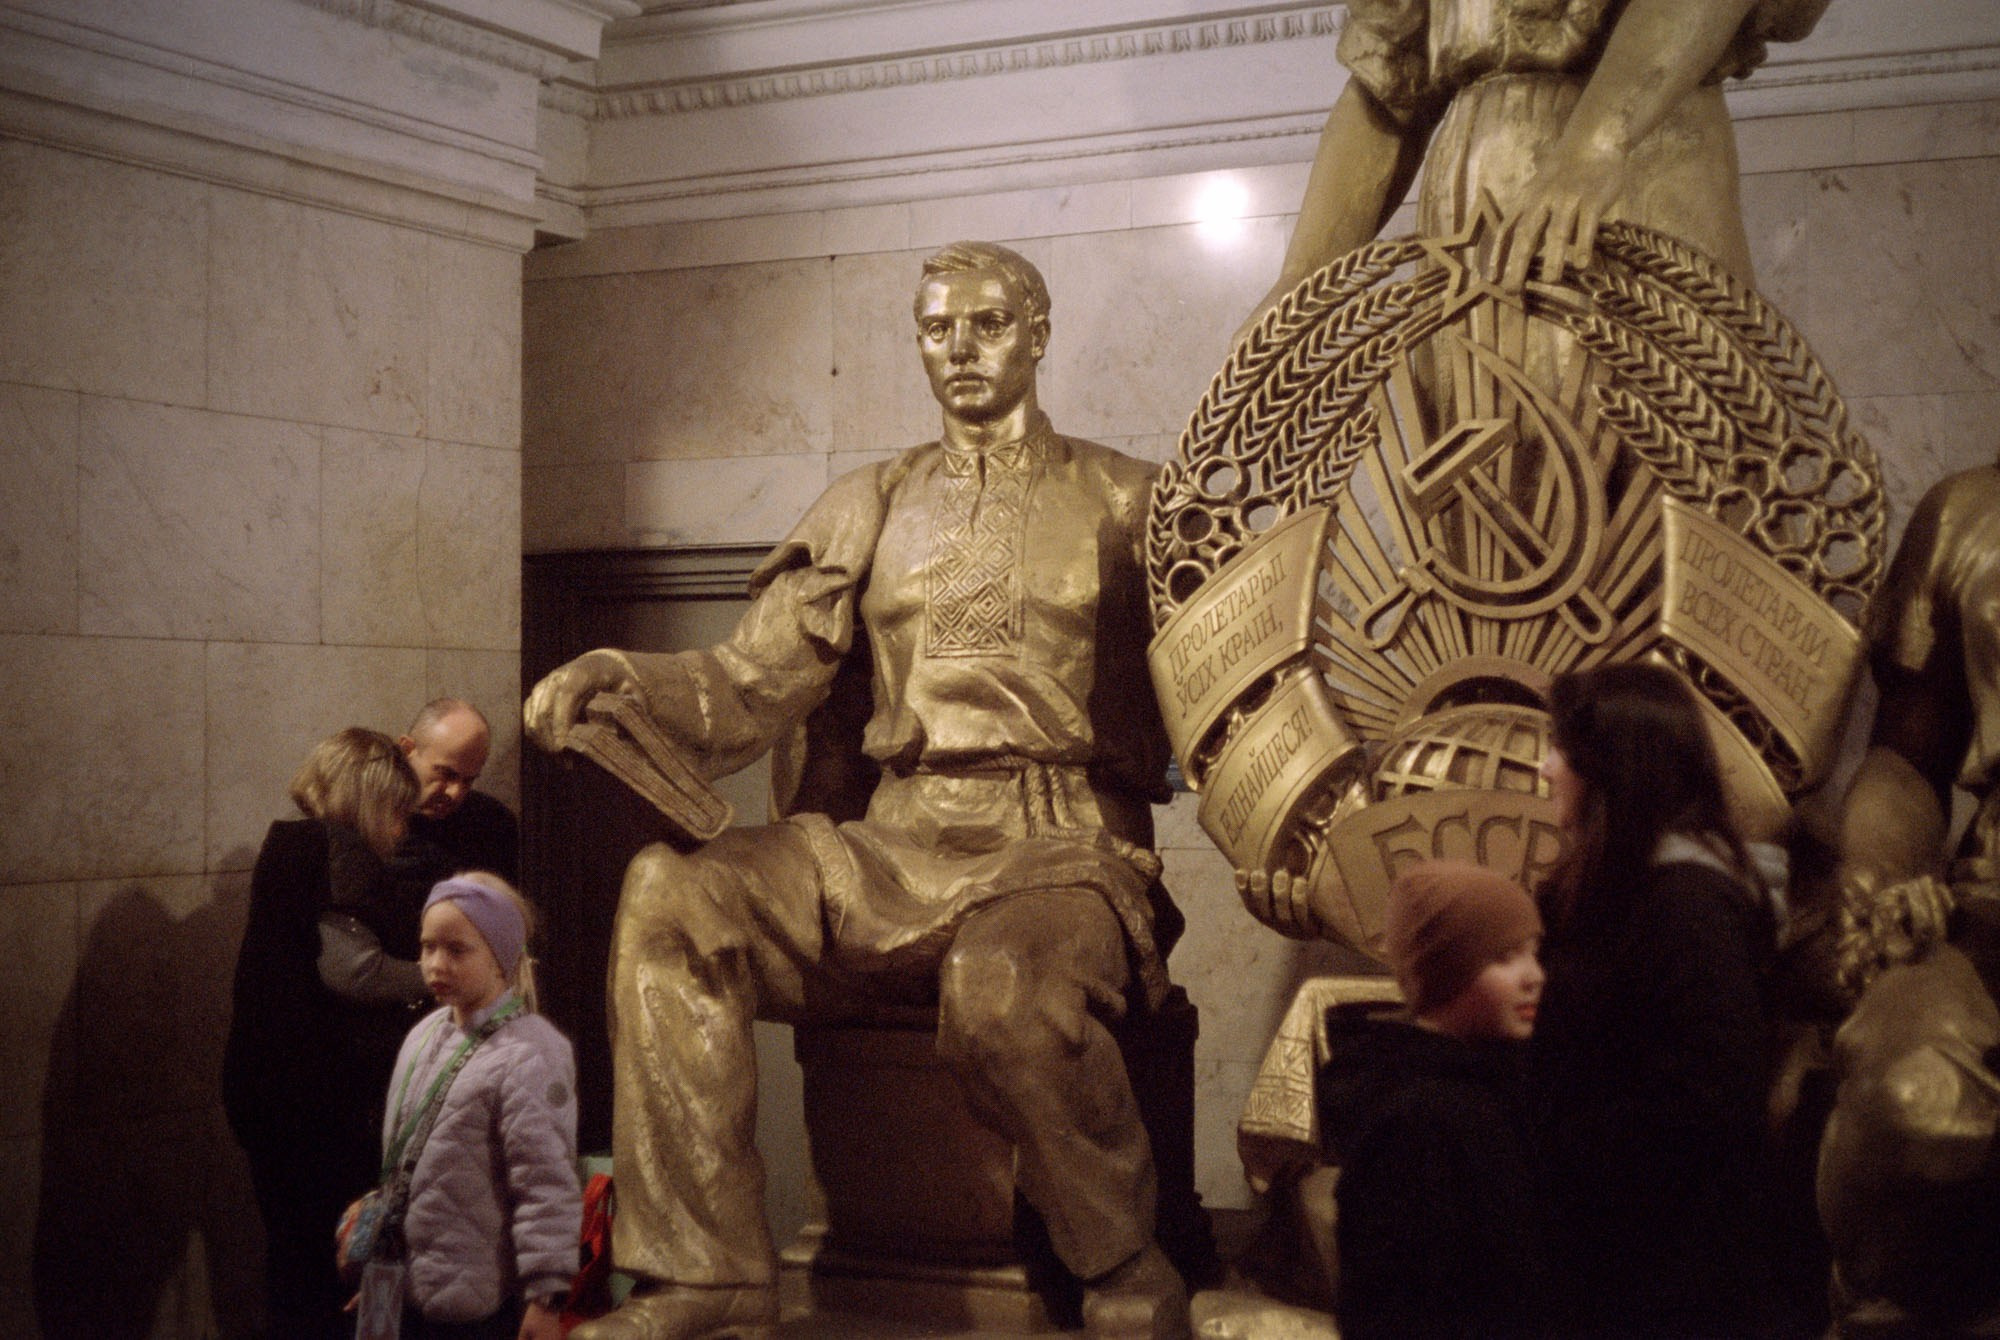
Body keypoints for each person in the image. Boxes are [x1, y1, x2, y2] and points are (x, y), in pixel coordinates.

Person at [524, 241, 1190, 1340]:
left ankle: (1123, 1255)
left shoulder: (1128, 498)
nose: (960, 348)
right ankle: (707, 1270)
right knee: (670, 894)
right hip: (896, 836)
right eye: (937, 328)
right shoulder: (870, 501)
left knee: (997, 989)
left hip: (1060, 842)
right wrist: (619, 678)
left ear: (1038, 334)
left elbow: (1217, 687)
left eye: (987, 324)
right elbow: (747, 683)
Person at [1241, 0, 1828, 334]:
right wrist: (1301, 278)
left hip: (1645, 142)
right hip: (1472, 184)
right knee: (1476, 449)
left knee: (1663, 433)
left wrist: (1597, 141)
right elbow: (1387, 78)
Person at [1530, 661, 1778, 1337]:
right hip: (1609, 1256)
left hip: (1657, 1279)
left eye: (1559, 751)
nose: (1545, 769)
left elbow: (1709, 1104)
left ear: (1612, 768)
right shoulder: (1627, 888)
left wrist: (1548, 1154)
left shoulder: (1689, 907)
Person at [1816, 461, 2000, 1333]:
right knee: (1913, 1105)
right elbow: (1902, 762)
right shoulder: (1969, 514)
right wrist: (1881, 886)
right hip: (1987, 914)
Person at [222, 728, 429, 1340]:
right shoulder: (334, 850)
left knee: (299, 1261)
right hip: (319, 1112)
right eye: (398, 812)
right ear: (370, 800)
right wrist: (444, 975)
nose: (403, 830)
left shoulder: (292, 846)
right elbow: (356, 972)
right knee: (354, 1256)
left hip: (275, 1101)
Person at [1316, 859, 1548, 1340]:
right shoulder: (1416, 1122)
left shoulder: (1500, 1088)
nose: (1534, 976)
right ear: (1445, 973)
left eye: (1533, 953)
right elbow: (1389, 1308)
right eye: (1504, 958)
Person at [383, 872, 581, 1340]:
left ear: (500, 957)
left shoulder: (530, 1053)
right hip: (407, 1290)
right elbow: (406, 1158)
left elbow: (546, 1185)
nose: (436, 964)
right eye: (428, 946)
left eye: (457, 950)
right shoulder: (424, 1035)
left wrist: (545, 1298)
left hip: (475, 1307)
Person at [396, 698, 519, 886]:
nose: (456, 793)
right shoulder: (366, 819)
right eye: (446, 774)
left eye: (469, 780)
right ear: (407, 750)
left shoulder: (492, 825)